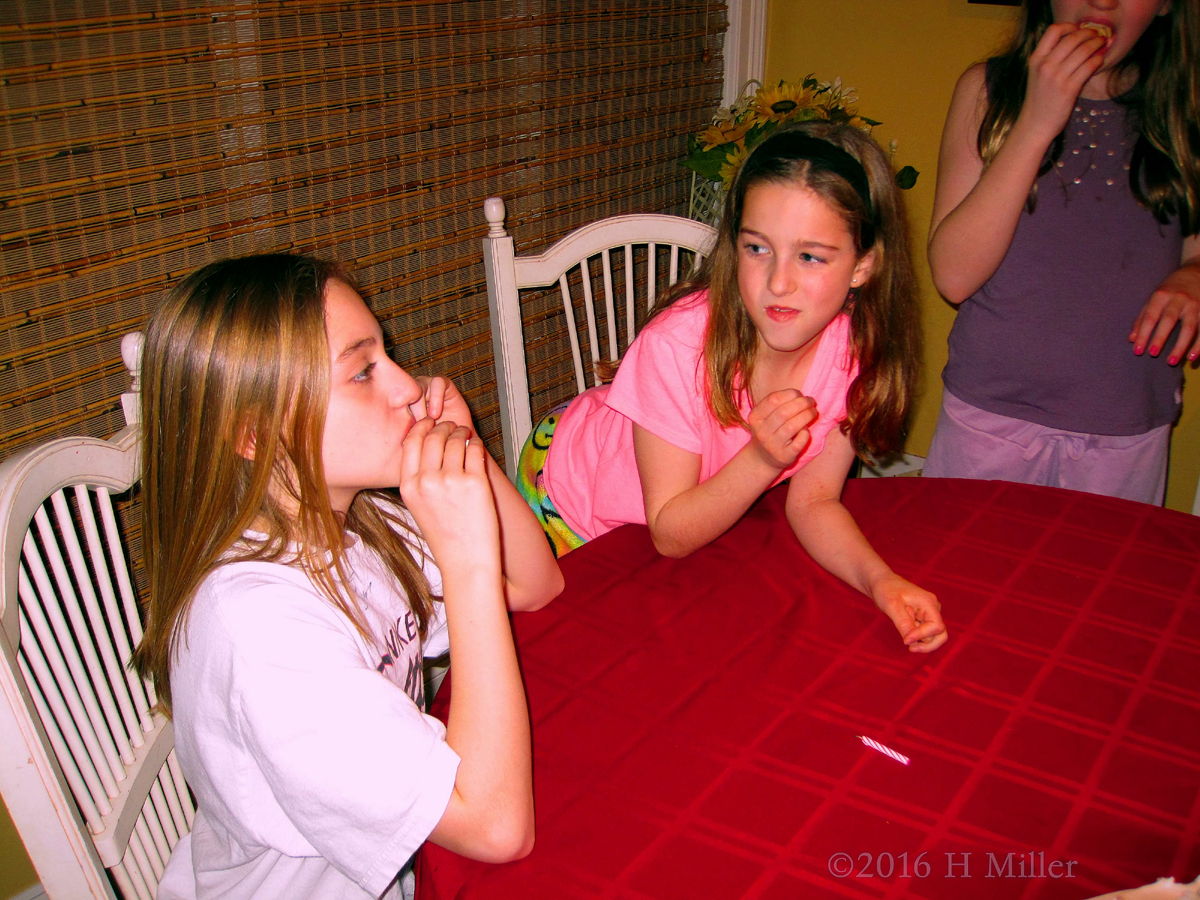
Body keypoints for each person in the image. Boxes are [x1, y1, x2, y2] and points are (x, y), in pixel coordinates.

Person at [133, 255, 563, 900]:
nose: (409, 387)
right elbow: (498, 827)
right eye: (362, 371)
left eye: (386, 355)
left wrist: (466, 452)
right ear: (253, 433)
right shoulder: (257, 630)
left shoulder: (360, 525)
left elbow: (536, 587)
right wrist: (466, 555)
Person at [519, 121, 948, 654]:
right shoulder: (677, 345)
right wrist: (761, 460)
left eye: (810, 256)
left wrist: (881, 582)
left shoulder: (852, 351)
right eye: (757, 249)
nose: (778, 282)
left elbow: (813, 502)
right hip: (571, 497)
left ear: (863, 266)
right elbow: (671, 533)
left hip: (682, 514)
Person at [924, 0, 1200, 504]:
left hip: (1126, 428)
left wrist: (1194, 272)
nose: (1103, 1)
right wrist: (1036, 122)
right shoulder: (988, 92)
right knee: (965, 569)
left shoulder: (1186, 107)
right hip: (990, 418)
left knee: (1099, 576)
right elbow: (953, 275)